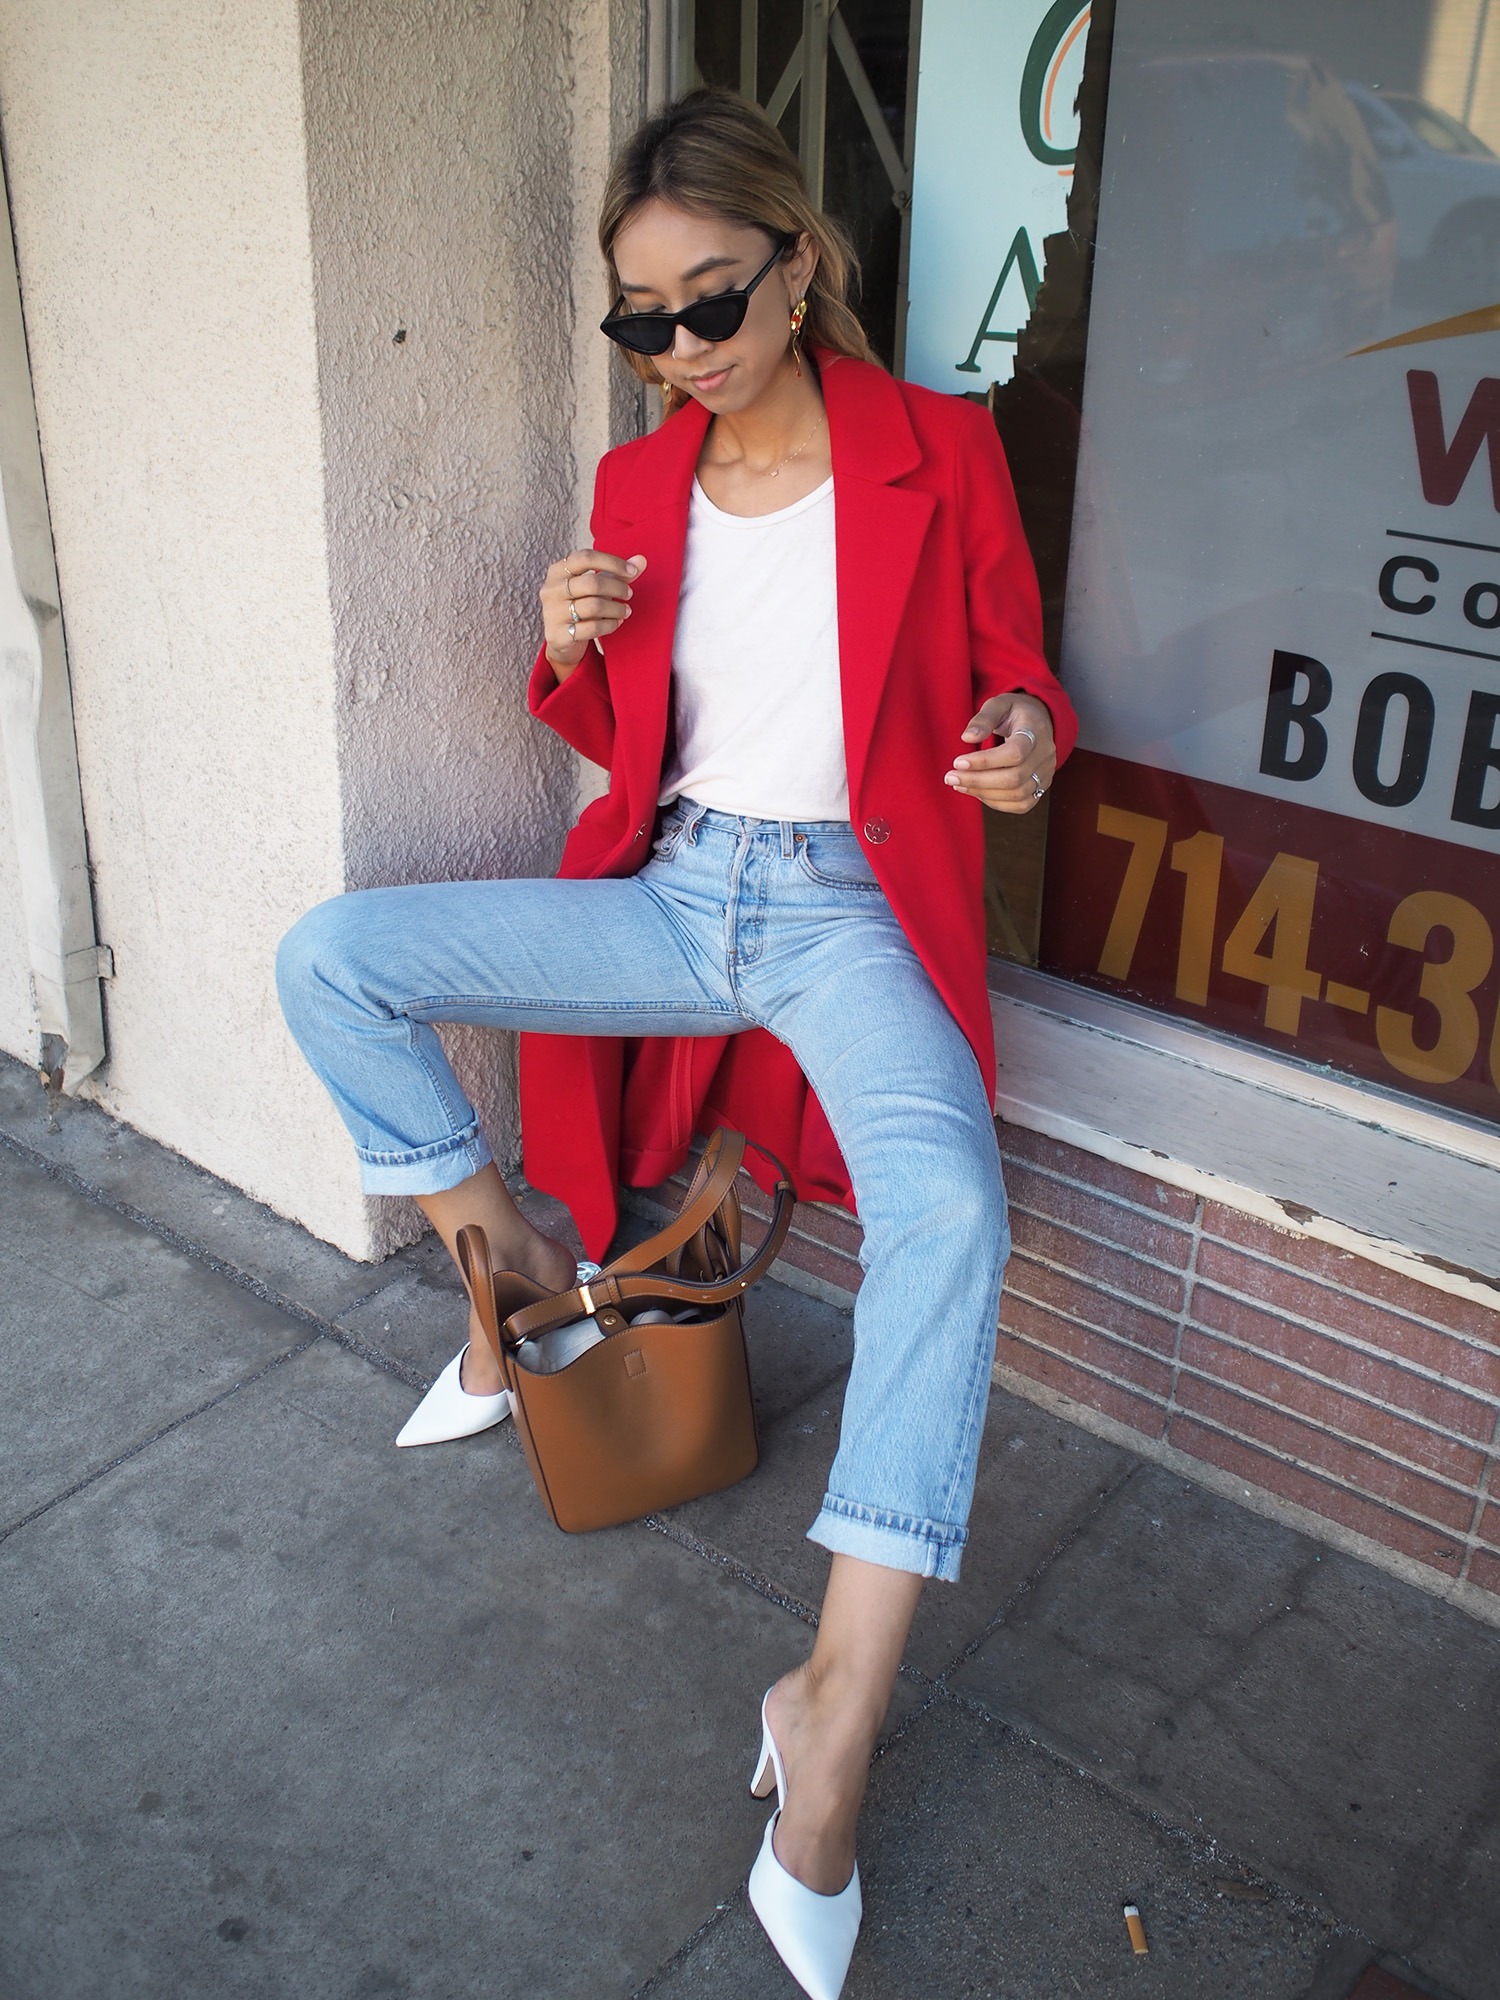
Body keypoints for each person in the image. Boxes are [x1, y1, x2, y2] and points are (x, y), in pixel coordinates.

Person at [276, 88, 1076, 2000]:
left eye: (709, 303)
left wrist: (1026, 739)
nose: (680, 351)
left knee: (952, 1213)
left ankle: (832, 1725)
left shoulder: (938, 453)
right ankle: (519, 1271)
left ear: (797, 269)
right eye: (641, 321)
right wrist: (565, 639)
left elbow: (1020, 672)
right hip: (671, 894)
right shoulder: (643, 485)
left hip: (849, 915)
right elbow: (618, 741)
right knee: (334, 960)